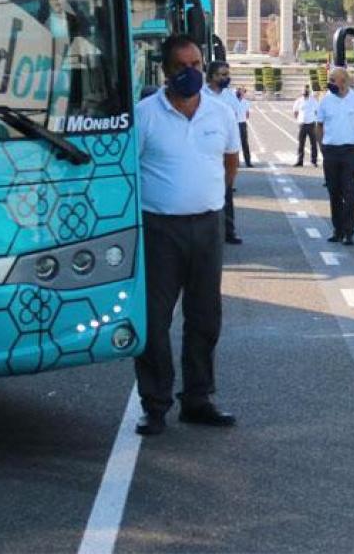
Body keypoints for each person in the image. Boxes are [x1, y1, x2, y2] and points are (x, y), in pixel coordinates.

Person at [132, 34, 241, 436]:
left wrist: (210, 198)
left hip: (207, 226)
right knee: (153, 321)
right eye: (182, 66)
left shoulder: (220, 113)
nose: (191, 72)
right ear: (165, 70)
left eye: (196, 65)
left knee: (205, 317)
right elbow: (130, 170)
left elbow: (230, 162)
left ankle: (198, 399)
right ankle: (155, 404)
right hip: (159, 230)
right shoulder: (145, 115)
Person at [315, 66, 354, 245]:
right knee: (334, 192)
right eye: (330, 79)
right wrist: (322, 146)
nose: (330, 83)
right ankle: (337, 230)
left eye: (333, 80)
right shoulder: (325, 100)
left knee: (349, 192)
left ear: (344, 81)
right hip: (331, 151)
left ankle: (349, 231)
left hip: (351, 150)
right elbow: (319, 125)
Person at [203, 61, 244, 245]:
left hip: (226, 149)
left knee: (226, 191)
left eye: (227, 74)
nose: (226, 78)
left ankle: (229, 230)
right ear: (212, 76)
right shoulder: (201, 94)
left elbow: (237, 119)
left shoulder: (230, 97)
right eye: (222, 75)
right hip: (206, 149)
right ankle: (209, 232)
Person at [292, 84, 320, 166]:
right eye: (304, 91)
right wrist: (299, 120)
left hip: (311, 124)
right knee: (301, 143)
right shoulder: (299, 101)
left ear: (309, 91)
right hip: (302, 124)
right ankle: (300, 161)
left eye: (307, 91)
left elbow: (317, 111)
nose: (305, 92)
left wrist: (314, 119)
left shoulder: (313, 100)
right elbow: (295, 111)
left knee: (313, 143)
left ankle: (314, 161)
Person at [233, 86, 254, 167]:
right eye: (240, 91)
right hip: (235, 124)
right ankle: (236, 162)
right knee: (235, 144)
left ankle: (247, 161)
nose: (242, 93)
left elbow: (247, 114)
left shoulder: (246, 102)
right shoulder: (233, 102)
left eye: (243, 92)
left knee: (244, 143)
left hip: (242, 123)